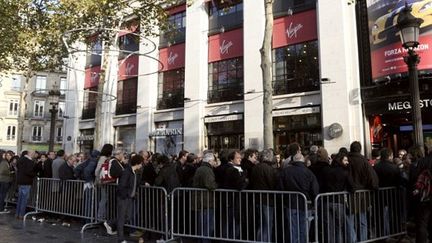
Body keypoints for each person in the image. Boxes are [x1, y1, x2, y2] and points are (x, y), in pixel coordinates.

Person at [279, 152, 319, 243]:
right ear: (303, 160)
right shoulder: (308, 172)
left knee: (293, 229)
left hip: (291, 203)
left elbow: (280, 187)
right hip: (305, 204)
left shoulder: (286, 171)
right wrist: (315, 203)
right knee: (304, 229)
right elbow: (314, 189)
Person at [104, 155, 143, 243]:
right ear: (137, 163)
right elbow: (121, 186)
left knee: (128, 217)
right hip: (124, 197)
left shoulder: (135, 172)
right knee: (122, 218)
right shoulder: (127, 172)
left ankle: (110, 223)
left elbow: (136, 183)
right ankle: (120, 239)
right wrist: (126, 195)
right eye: (141, 163)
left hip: (129, 197)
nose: (141, 165)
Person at [320, 152, 355, 243]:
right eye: (345, 160)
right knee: (338, 227)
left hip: (326, 201)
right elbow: (352, 187)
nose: (347, 162)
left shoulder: (325, 170)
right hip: (338, 202)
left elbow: (321, 184)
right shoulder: (344, 172)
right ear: (340, 160)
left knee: (329, 228)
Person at [347, 141, 379, 242]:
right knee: (362, 220)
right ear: (360, 149)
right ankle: (363, 240)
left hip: (350, 194)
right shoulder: (364, 161)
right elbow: (372, 178)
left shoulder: (347, 160)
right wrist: (374, 188)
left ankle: (352, 240)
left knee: (350, 220)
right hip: (362, 195)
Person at [249, 149, 278, 242]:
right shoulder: (269, 169)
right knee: (267, 225)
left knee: (261, 224)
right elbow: (272, 183)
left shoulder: (255, 167)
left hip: (258, 199)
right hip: (267, 200)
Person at [374, 148, 401, 236]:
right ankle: (396, 231)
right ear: (390, 156)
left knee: (380, 215)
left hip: (379, 194)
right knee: (394, 213)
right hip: (393, 194)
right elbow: (399, 180)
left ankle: (381, 234)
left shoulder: (376, 167)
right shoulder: (395, 167)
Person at [192, 152, 218, 243]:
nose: (215, 162)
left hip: (202, 200)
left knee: (203, 225)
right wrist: (217, 185)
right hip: (205, 201)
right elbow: (210, 185)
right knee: (207, 226)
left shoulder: (201, 168)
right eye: (214, 160)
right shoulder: (207, 170)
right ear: (210, 161)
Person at [95, 143, 114, 221]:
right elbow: (97, 171)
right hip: (103, 182)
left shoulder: (104, 158)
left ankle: (102, 216)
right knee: (104, 199)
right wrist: (100, 180)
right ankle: (100, 216)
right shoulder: (103, 158)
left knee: (104, 199)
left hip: (103, 182)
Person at [16, 150, 37, 219]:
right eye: (34, 154)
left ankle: (17, 214)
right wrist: (34, 174)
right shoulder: (30, 162)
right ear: (31, 154)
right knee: (24, 199)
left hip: (20, 181)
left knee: (19, 199)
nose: (35, 155)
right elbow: (29, 172)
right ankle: (21, 215)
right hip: (26, 182)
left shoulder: (20, 159)